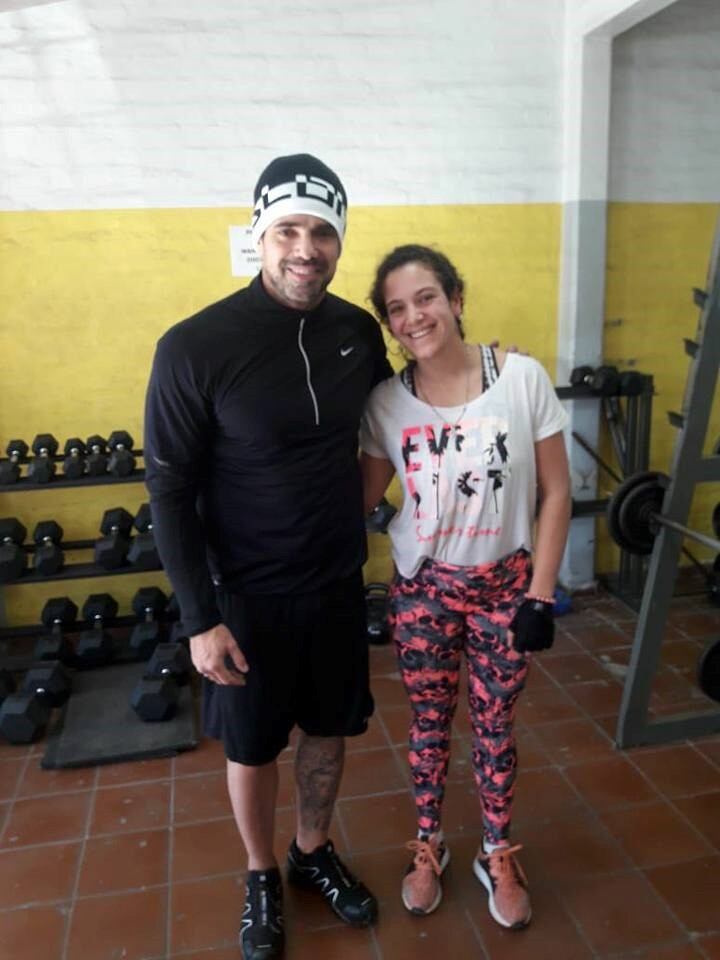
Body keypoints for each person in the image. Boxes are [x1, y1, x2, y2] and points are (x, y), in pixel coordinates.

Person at [143, 154, 392, 960]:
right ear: (259, 234)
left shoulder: (357, 331)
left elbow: (401, 416)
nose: (306, 248)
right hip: (244, 596)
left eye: (323, 232)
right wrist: (199, 619)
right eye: (288, 228)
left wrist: (486, 375)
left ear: (339, 241)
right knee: (252, 746)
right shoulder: (194, 346)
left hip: (335, 584)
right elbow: (170, 491)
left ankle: (311, 851)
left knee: (329, 730)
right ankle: (259, 872)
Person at [359, 244, 571, 929]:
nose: (414, 316)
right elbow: (357, 499)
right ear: (389, 326)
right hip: (424, 594)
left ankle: (496, 851)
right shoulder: (386, 404)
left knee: (494, 726)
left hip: (506, 590)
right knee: (426, 725)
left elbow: (558, 492)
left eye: (425, 297)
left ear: (454, 297)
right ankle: (428, 845)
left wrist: (539, 594)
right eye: (397, 309)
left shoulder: (522, 379)